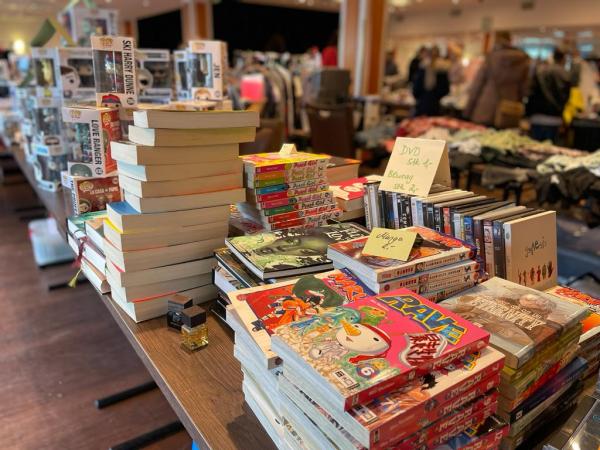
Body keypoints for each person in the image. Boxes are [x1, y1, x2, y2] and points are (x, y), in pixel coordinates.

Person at [464, 31, 529, 126]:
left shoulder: (491, 58)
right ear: (510, 40)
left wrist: (468, 111)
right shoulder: (522, 60)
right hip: (509, 109)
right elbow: (524, 89)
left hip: (487, 108)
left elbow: (477, 86)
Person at [526, 48, 571, 143]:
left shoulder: (539, 71)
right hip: (555, 118)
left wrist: (527, 114)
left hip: (537, 117)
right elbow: (566, 97)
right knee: (550, 152)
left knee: (533, 151)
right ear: (563, 59)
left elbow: (530, 92)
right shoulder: (564, 75)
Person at [412, 46, 450, 116]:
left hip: (426, 103)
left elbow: (416, 90)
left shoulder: (424, 67)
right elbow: (445, 90)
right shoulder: (441, 69)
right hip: (432, 104)